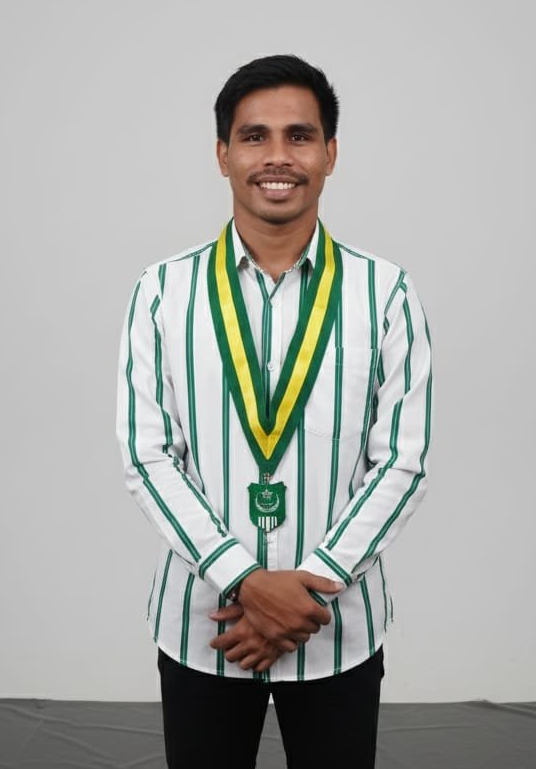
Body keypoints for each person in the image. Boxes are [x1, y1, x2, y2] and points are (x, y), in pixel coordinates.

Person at [117, 54, 432, 768]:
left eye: (300, 135)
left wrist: (307, 593)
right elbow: (147, 455)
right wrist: (248, 581)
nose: (277, 156)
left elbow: (403, 461)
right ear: (223, 155)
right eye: (254, 136)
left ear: (330, 153)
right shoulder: (162, 291)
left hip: (336, 628)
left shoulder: (386, 293)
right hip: (205, 625)